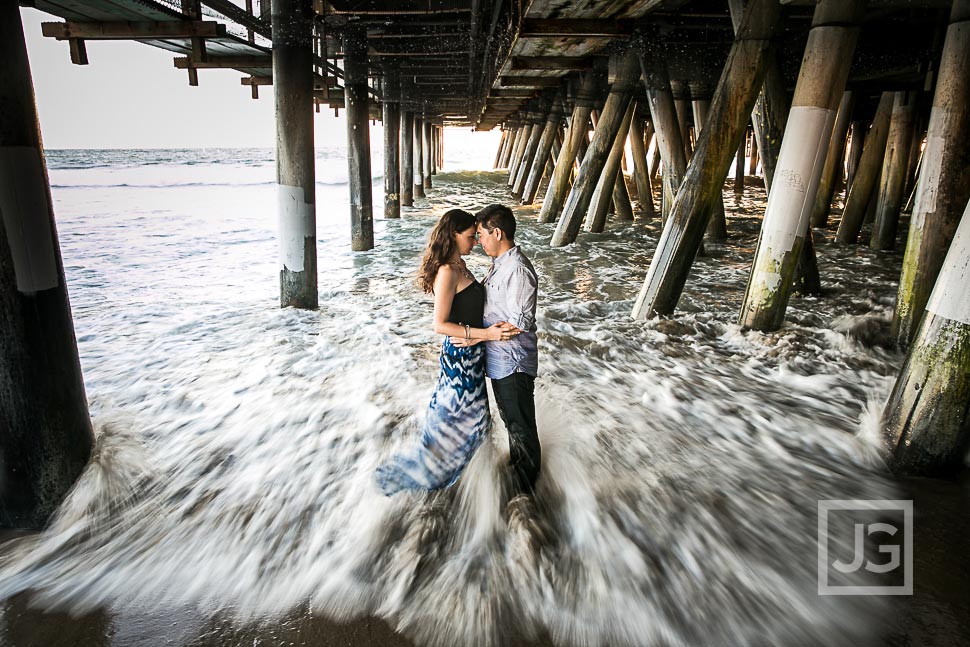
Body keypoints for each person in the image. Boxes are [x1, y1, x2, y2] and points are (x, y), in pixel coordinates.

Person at [376, 209, 520, 496]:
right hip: (460, 362)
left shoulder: (462, 265)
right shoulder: (447, 272)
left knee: (477, 423)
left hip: (474, 358)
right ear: (454, 235)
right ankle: (407, 477)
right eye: (470, 237)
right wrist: (485, 334)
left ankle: (474, 488)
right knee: (452, 423)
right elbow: (439, 324)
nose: (475, 242)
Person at [463, 204, 540, 498]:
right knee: (512, 425)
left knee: (521, 430)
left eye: (481, 234)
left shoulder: (517, 269)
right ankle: (518, 487)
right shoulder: (501, 263)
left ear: (497, 232)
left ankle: (525, 495)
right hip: (499, 361)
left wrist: (481, 334)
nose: (479, 241)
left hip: (513, 363)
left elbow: (520, 321)